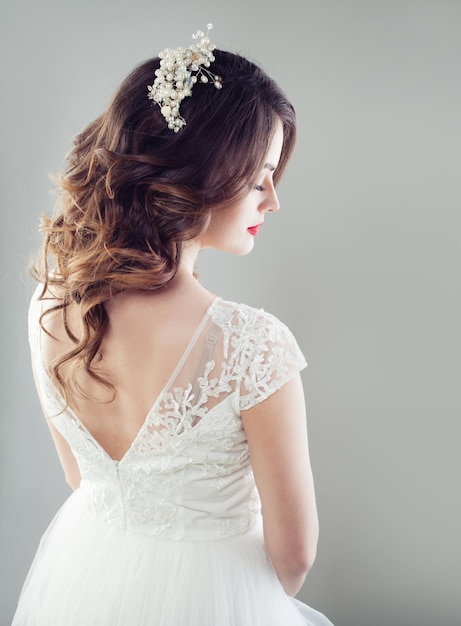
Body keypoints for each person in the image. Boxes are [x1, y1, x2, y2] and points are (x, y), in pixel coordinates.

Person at [13, 25, 333, 626]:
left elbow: (79, 476)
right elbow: (295, 554)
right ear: (201, 171)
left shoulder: (50, 305)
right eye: (257, 174)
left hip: (89, 581)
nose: (272, 199)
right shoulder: (250, 344)